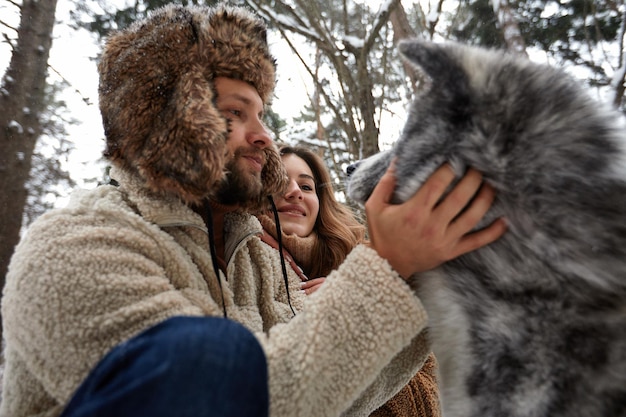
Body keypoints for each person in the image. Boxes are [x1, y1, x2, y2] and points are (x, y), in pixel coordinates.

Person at [0, 3, 507, 417]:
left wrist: (424, 273)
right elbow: (236, 398)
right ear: (170, 122)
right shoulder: (75, 247)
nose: (265, 135)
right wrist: (389, 267)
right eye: (235, 113)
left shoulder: (256, 257)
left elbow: (336, 396)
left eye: (261, 113)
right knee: (209, 353)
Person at [257, 145, 441, 417]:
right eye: (279, 180)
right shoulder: (241, 262)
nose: (294, 191)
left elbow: (429, 391)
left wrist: (350, 300)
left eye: (307, 187)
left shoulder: (369, 263)